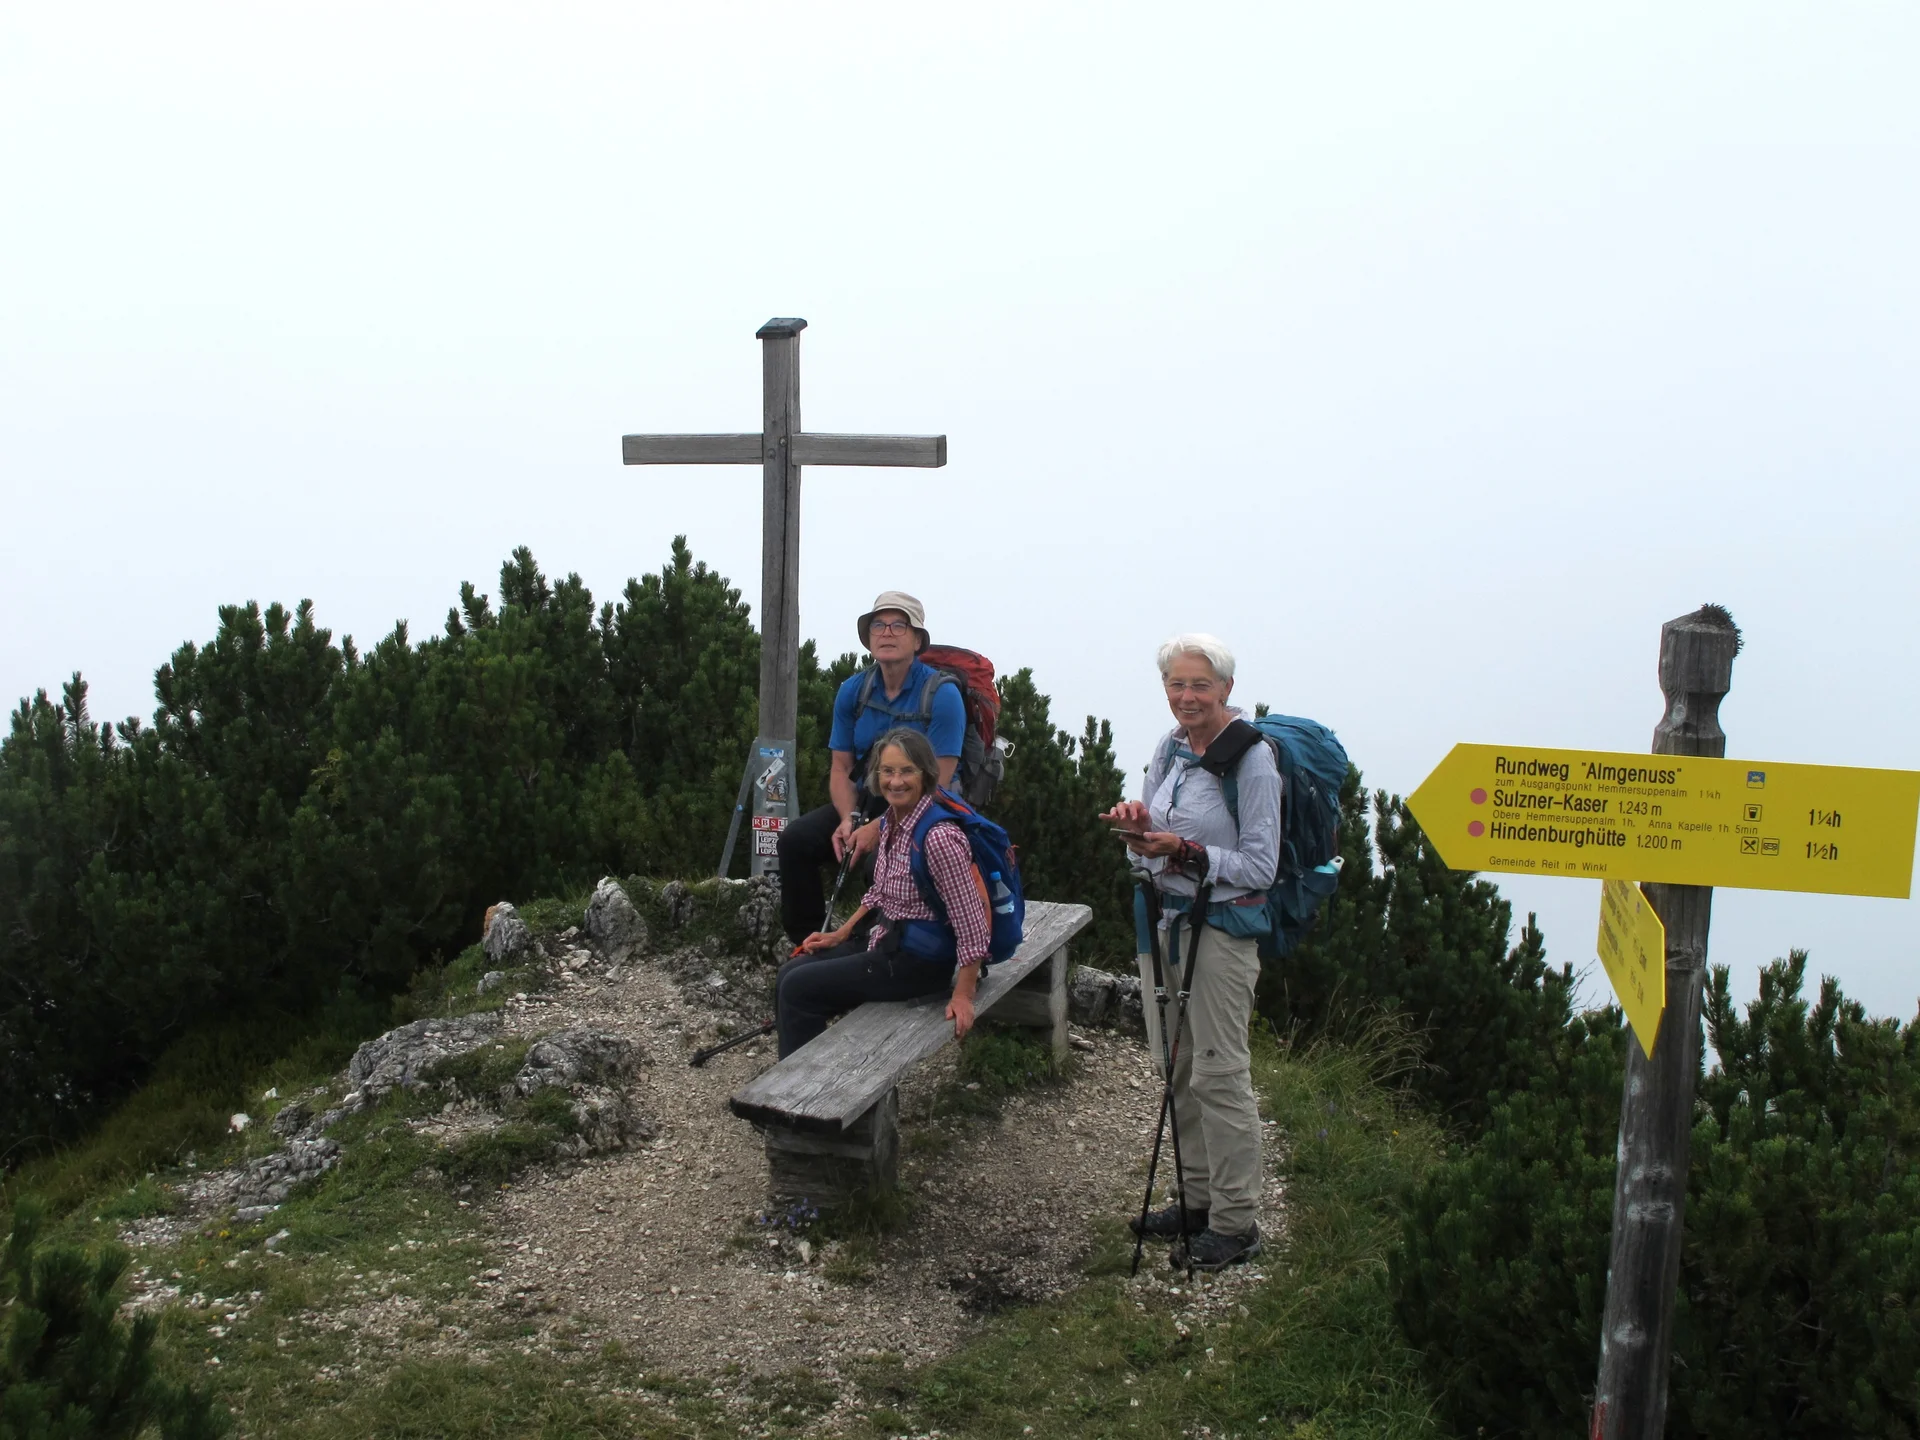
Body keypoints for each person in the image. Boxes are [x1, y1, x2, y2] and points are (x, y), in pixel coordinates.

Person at [1100, 633, 1280, 1272]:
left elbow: (1261, 866)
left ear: (1227, 688)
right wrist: (1137, 828)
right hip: (1164, 922)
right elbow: (1145, 838)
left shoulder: (1253, 762)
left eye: (1200, 685)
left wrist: (1178, 849)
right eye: (1176, 684)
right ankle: (1198, 1199)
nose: (1186, 696)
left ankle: (1236, 1223)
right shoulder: (1171, 748)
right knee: (1174, 1064)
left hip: (1223, 931)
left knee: (1219, 1071)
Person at [775, 728, 987, 1057]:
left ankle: (802, 1096)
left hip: (919, 964)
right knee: (791, 970)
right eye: (887, 771)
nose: (895, 781)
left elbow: (972, 925)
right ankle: (799, 1078)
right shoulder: (891, 820)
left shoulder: (939, 838)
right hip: (888, 944)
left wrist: (963, 993)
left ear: (926, 775)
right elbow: (880, 894)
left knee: (798, 989)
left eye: (906, 771)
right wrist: (839, 934)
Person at [776, 590, 966, 944]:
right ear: (868, 638)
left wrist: (878, 829)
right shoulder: (854, 691)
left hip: (926, 810)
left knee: (877, 860)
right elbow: (840, 768)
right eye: (878, 625)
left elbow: (937, 783)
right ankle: (809, 942)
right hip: (868, 799)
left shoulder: (942, 696)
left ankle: (874, 947)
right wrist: (849, 819)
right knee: (796, 841)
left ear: (917, 640)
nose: (887, 633)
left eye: (898, 625)